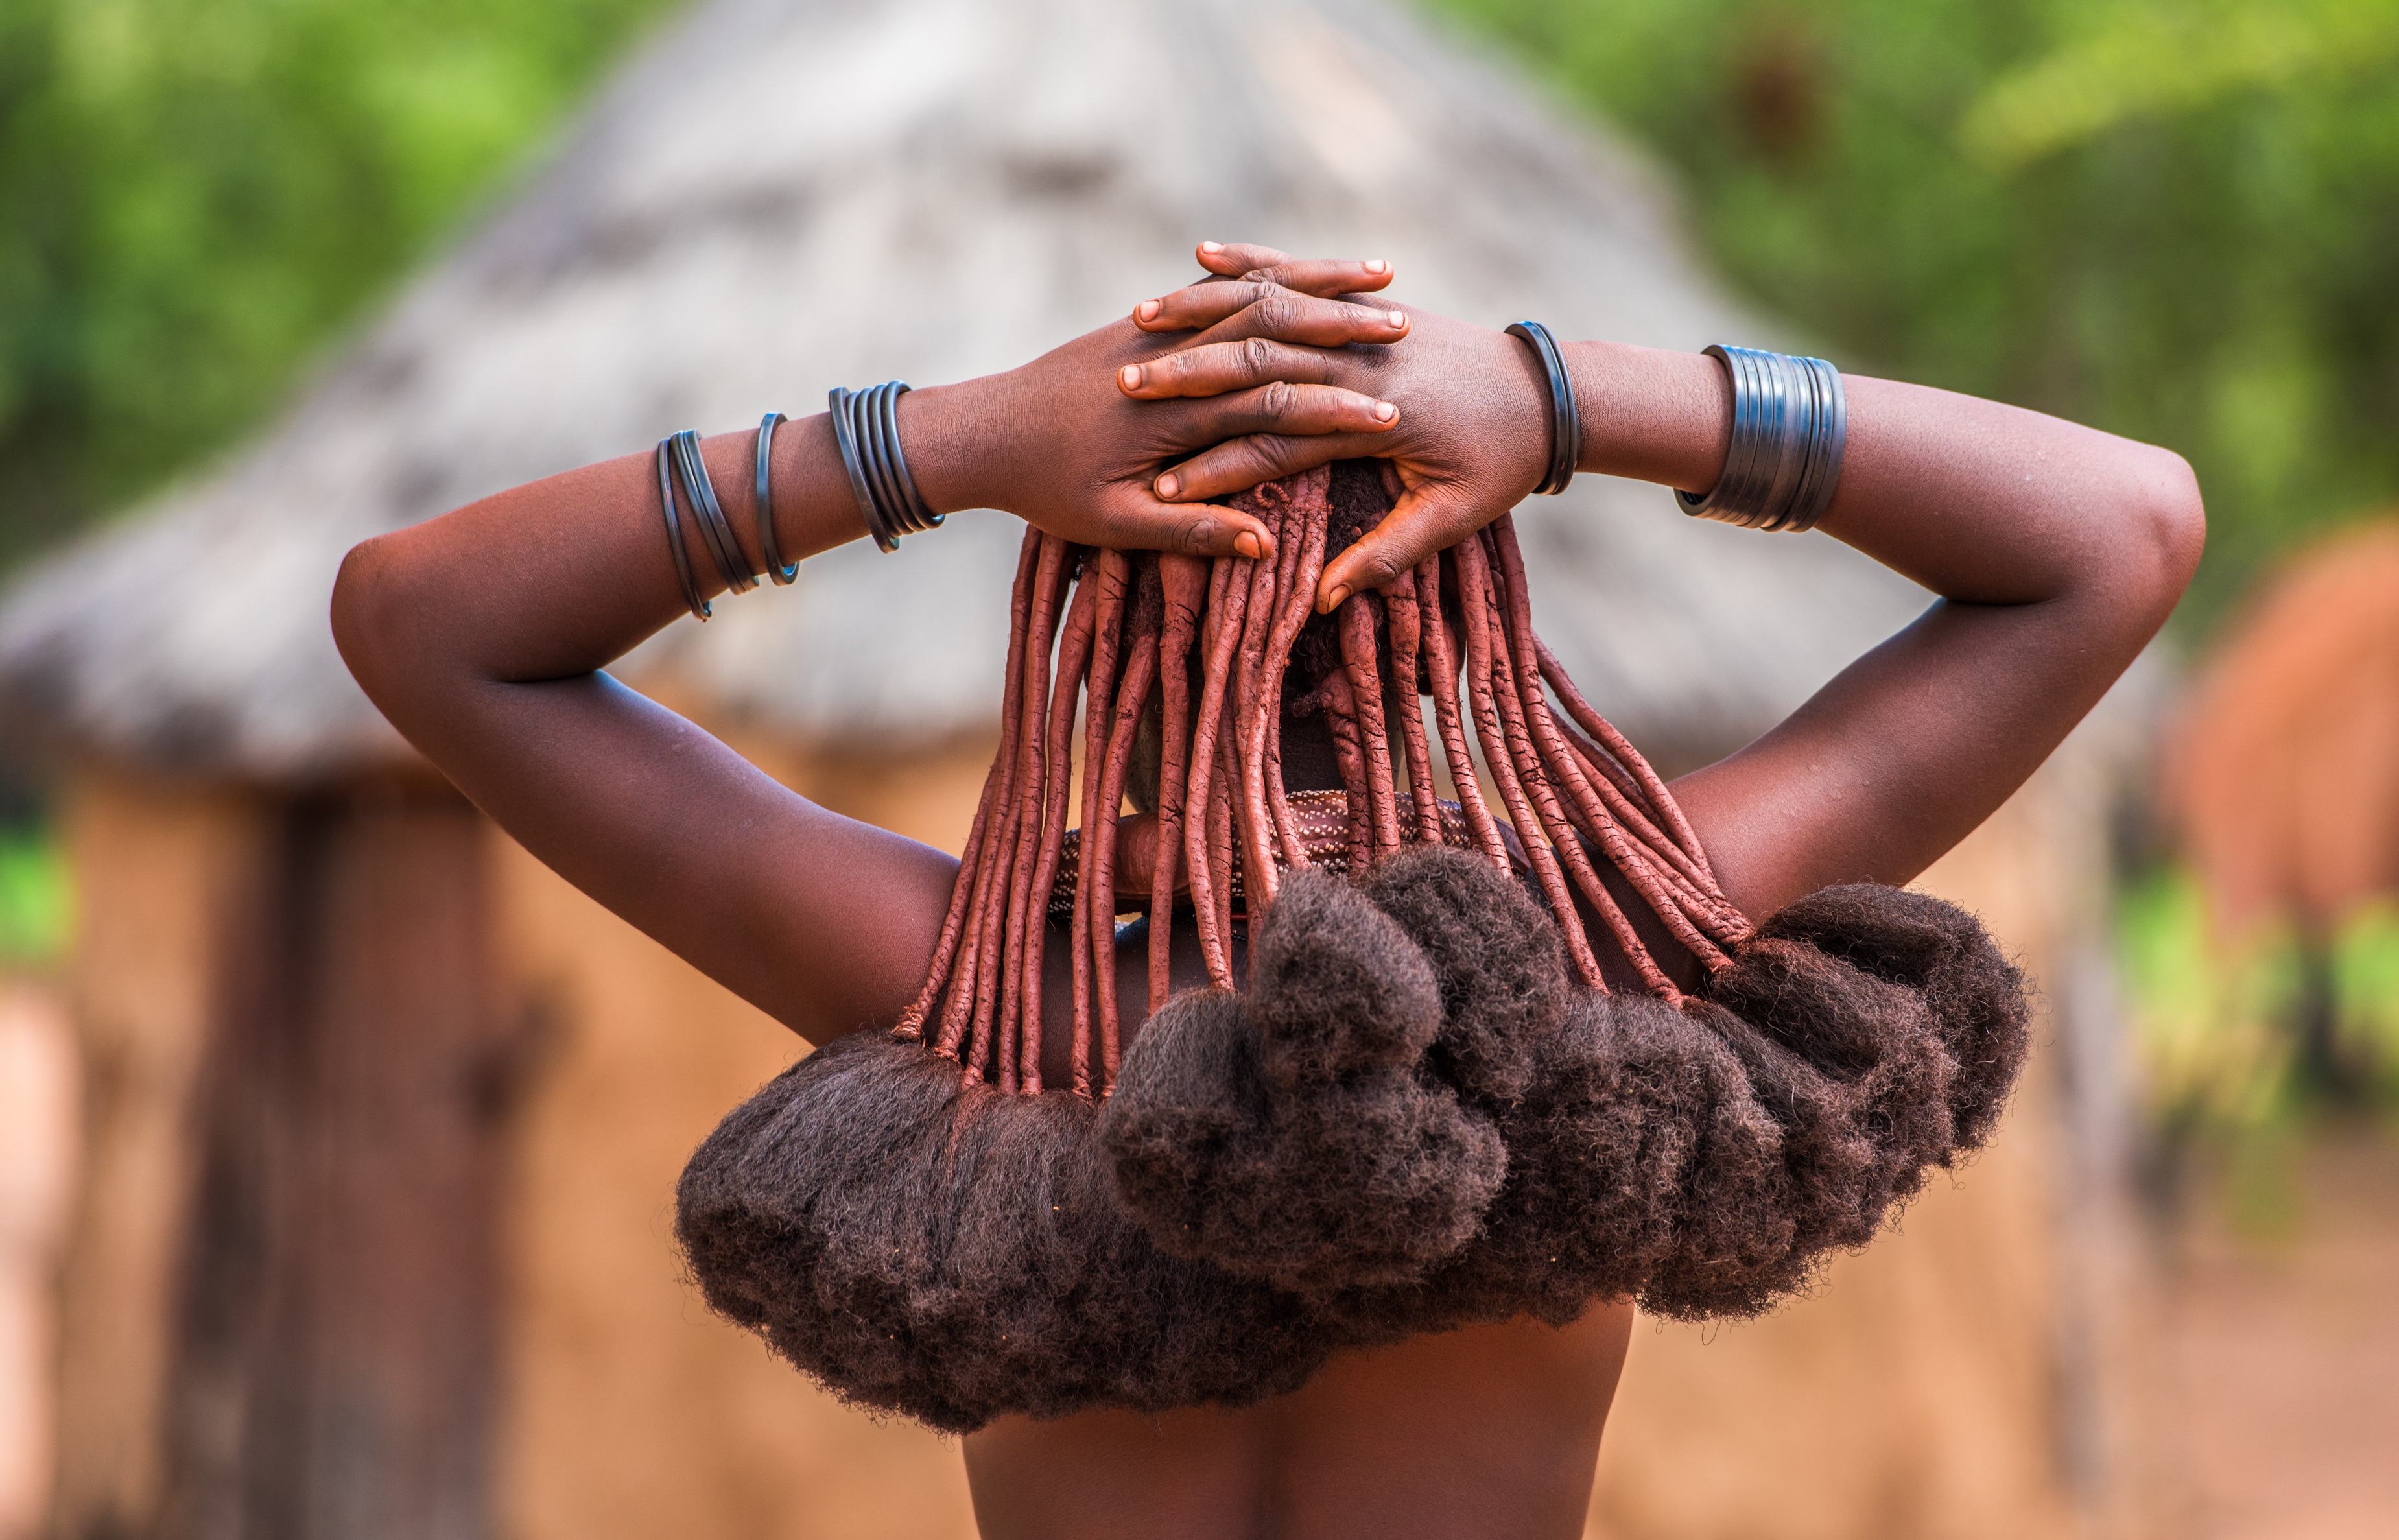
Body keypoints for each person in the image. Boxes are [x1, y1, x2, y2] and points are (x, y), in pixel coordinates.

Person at [331, 243, 2203, 1540]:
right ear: (1472, 619)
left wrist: (942, 446)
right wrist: (1567, 403)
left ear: (1090, 624)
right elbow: (2119, 531)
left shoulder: (972, 1006)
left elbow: (421, 624)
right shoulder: (1607, 968)